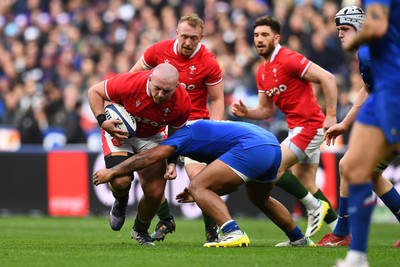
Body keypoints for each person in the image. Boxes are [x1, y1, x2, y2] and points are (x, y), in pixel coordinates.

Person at [92, 120, 316, 248]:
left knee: (198, 185)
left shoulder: (183, 134)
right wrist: (201, 193)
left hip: (252, 147)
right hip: (271, 145)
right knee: (259, 198)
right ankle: (298, 239)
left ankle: (233, 232)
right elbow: (231, 185)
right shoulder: (203, 129)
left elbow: (149, 158)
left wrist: (112, 172)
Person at [231, 16, 338, 237]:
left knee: (272, 166)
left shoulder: (289, 59)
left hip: (309, 126)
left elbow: (328, 78)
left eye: (265, 35)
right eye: (256, 35)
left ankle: (314, 206)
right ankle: (341, 233)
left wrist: (332, 115)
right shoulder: (262, 71)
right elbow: (266, 110)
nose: (259, 40)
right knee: (306, 181)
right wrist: (247, 113)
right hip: (297, 128)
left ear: (276, 38)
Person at [130, 13, 225, 242]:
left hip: (194, 124)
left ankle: (211, 229)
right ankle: (165, 219)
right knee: (152, 175)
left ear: (201, 37)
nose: (188, 42)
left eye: (193, 38)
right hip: (162, 122)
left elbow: (218, 99)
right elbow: (133, 77)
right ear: (176, 34)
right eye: (184, 36)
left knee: (198, 176)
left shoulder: (209, 62)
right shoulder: (157, 51)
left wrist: (215, 130)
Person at [316, 5, 400, 248]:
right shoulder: (367, 51)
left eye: (345, 28)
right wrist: (344, 123)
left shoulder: (368, 52)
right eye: (338, 29)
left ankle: (343, 234)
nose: (340, 34)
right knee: (358, 167)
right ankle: (343, 233)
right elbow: (368, 88)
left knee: (352, 165)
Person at [87, 63, 191, 246]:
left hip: (152, 136)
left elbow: (176, 136)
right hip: (119, 130)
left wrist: (173, 162)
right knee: (121, 181)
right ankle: (121, 200)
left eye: (166, 91)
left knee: (155, 192)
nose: (160, 95)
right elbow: (94, 92)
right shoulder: (130, 83)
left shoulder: (182, 102)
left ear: (177, 87)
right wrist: (103, 121)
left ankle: (140, 230)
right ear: (150, 79)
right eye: (157, 88)